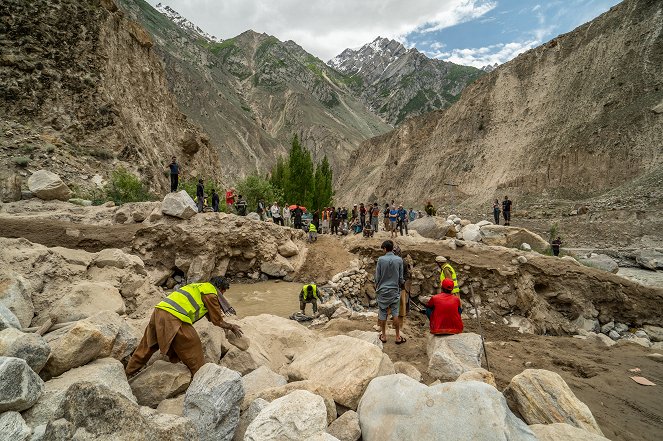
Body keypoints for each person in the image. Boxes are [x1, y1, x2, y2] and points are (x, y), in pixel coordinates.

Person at [125, 277, 242, 377]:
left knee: (148, 344)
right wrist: (231, 326)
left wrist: (225, 328)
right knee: (193, 345)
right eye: (224, 292)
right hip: (174, 316)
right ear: (220, 289)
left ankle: (129, 372)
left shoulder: (198, 287)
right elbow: (217, 320)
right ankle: (199, 377)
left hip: (159, 310)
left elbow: (211, 317)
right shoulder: (211, 293)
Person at [375, 240, 405, 344]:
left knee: (383, 313)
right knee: (395, 313)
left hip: (383, 290)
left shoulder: (380, 260)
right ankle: (397, 337)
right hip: (394, 291)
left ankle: (383, 336)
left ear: (384, 248)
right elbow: (401, 278)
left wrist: (377, 287)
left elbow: (377, 277)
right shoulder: (399, 260)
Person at [393, 245, 409, 326]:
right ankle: (396, 322)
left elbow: (406, 275)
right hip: (393, 287)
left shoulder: (404, 262)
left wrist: (402, 281)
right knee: (397, 307)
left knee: (401, 307)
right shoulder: (392, 262)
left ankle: (399, 324)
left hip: (399, 287)